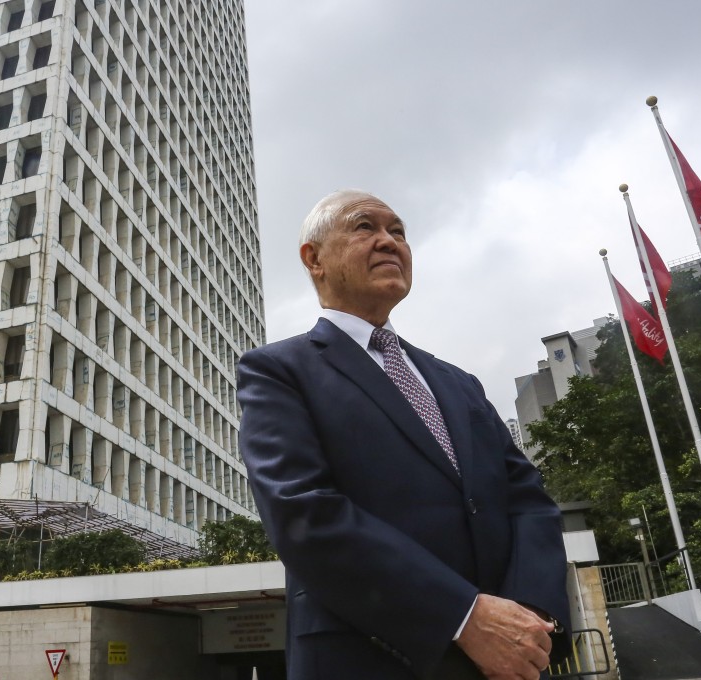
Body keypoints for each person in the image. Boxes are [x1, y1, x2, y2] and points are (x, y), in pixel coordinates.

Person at [236, 190, 571, 680]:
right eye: (364, 227)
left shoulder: (459, 382)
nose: (389, 241)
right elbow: (302, 509)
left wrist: (526, 616)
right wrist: (462, 616)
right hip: (367, 657)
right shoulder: (278, 371)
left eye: (398, 231)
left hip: (505, 663)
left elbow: (529, 499)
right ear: (314, 259)